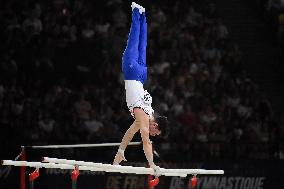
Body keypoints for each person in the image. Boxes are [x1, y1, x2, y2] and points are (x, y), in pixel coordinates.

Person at [112, 2, 169, 176]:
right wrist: (152, 165)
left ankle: (143, 16)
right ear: (155, 125)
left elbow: (130, 132)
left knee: (142, 44)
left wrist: (121, 152)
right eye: (155, 132)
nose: (152, 134)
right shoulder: (145, 116)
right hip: (131, 72)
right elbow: (145, 140)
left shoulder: (147, 112)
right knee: (134, 39)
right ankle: (136, 11)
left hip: (141, 75)